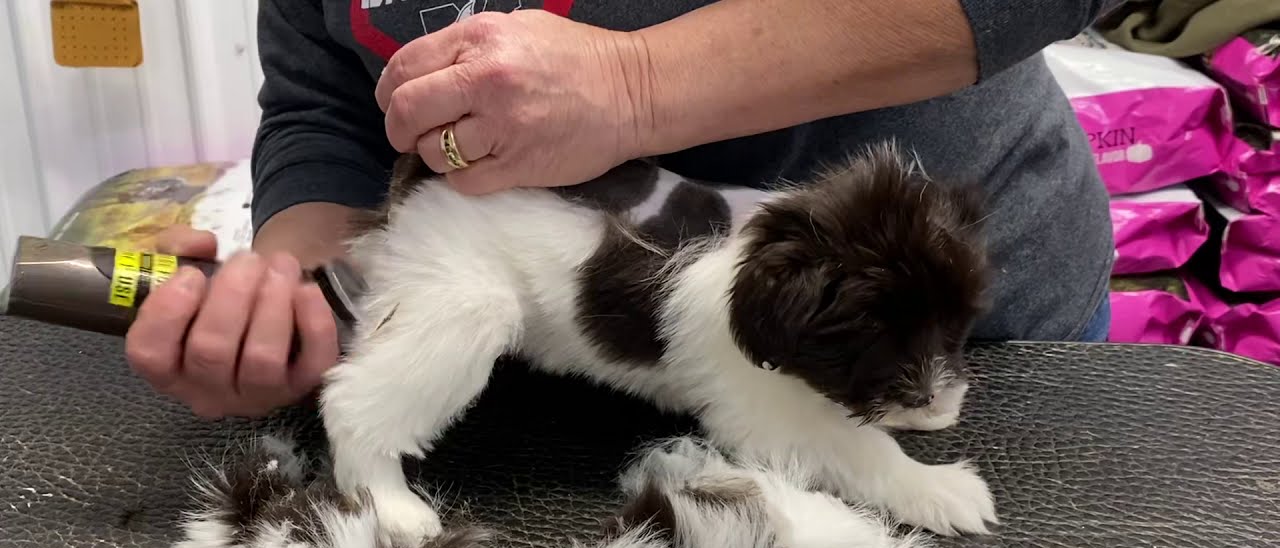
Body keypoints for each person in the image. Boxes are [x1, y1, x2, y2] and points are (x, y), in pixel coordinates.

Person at [125, 0, 1117, 420]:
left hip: (925, 345)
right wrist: (308, 291)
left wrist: (638, 81)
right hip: (538, 375)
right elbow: (326, 103)